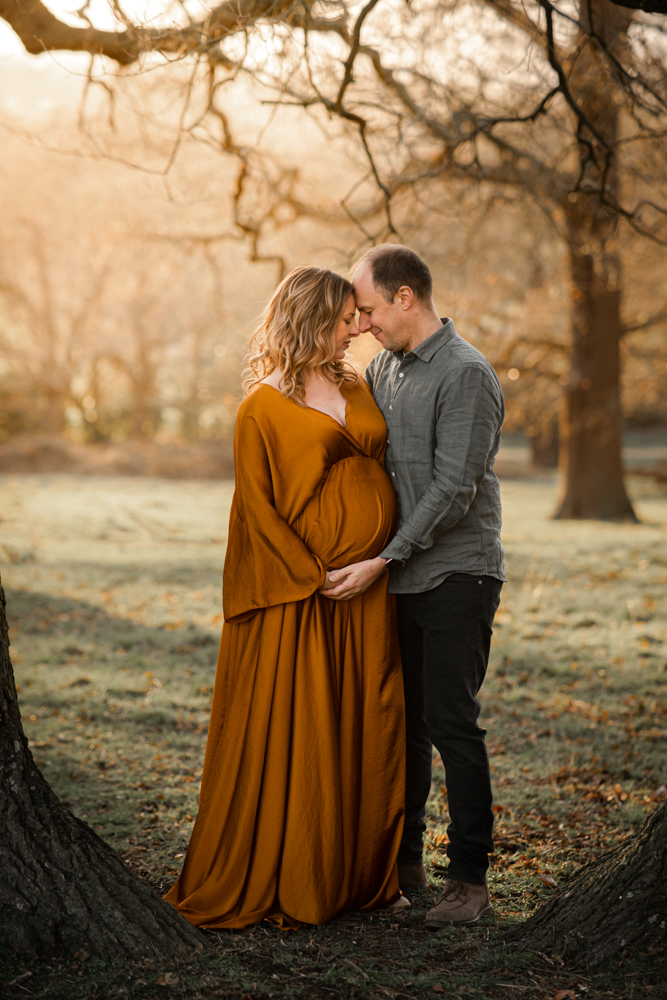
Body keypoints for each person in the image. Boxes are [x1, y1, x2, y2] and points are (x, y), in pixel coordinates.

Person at [164, 266, 407, 929]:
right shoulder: (260, 409)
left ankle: (352, 872)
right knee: (306, 729)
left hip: (365, 591)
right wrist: (314, 574)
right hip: (306, 596)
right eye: (342, 320)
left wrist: (374, 560)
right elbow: (258, 514)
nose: (356, 328)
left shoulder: (358, 382)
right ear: (307, 321)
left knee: (363, 721)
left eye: (358, 318)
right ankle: (299, 868)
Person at [322, 244, 505, 928]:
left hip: (458, 573)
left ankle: (469, 883)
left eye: (367, 308)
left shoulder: (465, 374)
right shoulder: (381, 370)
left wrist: (383, 558)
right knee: (405, 728)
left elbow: (454, 489)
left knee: (453, 725)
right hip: (396, 577)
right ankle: (402, 868)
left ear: (405, 298)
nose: (361, 323)